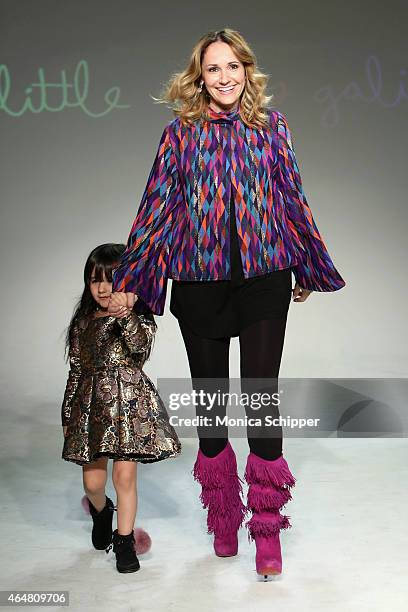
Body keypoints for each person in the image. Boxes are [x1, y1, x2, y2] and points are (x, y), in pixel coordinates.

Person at [108, 29, 346, 579]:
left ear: (248, 71)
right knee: (211, 405)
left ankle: (266, 529)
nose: (225, 78)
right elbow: (157, 207)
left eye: (233, 67)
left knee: (261, 400)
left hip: (265, 276)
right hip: (199, 281)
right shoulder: (180, 134)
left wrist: (305, 262)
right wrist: (132, 276)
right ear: (199, 78)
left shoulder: (272, 127)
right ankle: (223, 516)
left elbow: (293, 197)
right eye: (213, 69)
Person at [61, 243, 181, 574]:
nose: (102, 288)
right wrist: (68, 415)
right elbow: (76, 371)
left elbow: (139, 347)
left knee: (124, 476)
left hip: (129, 407)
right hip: (92, 411)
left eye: (111, 279)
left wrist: (126, 314)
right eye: (94, 279)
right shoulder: (83, 324)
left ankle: (124, 542)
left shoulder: (138, 318)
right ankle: (102, 512)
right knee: (93, 484)